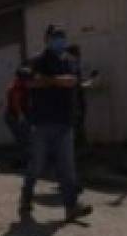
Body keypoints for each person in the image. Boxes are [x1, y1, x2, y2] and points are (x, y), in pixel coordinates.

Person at [21, 25, 93, 223]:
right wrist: (56, 81)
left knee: (67, 167)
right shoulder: (37, 60)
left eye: (62, 36)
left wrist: (46, 80)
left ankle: (71, 207)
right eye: (55, 37)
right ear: (47, 39)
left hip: (64, 121)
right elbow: (29, 82)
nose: (59, 40)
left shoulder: (70, 61)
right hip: (41, 122)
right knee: (36, 165)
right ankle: (26, 198)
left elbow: (71, 81)